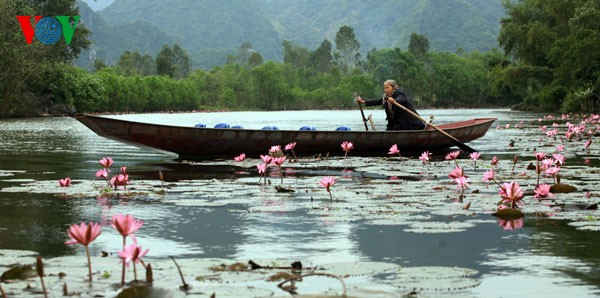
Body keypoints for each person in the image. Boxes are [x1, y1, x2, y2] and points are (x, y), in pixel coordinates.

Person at [355, 79, 425, 131]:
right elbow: (378, 101)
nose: (386, 90)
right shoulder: (386, 97)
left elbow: (401, 99)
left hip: (408, 123)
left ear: (393, 87)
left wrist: (394, 101)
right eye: (385, 88)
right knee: (390, 129)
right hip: (393, 123)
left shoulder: (399, 93)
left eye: (388, 88)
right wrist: (363, 102)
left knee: (396, 128)